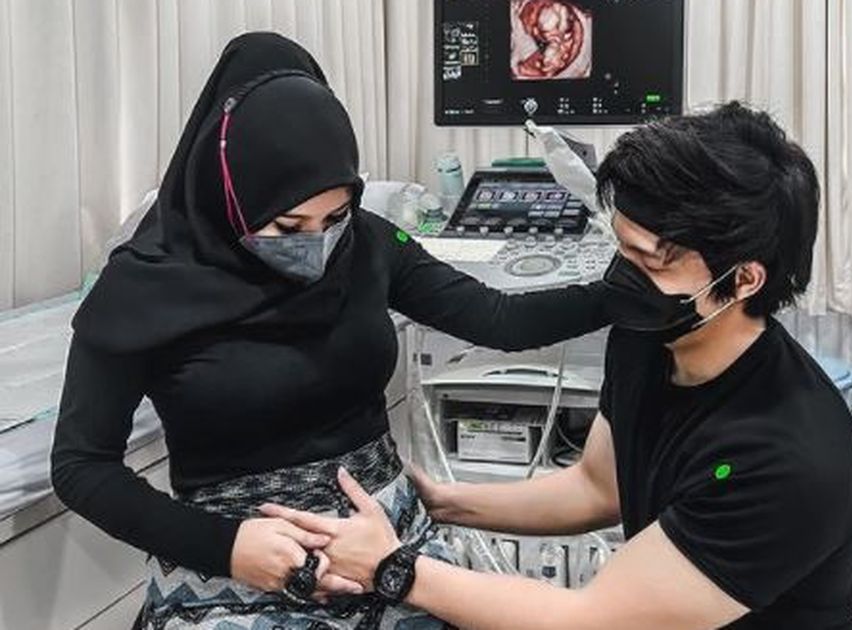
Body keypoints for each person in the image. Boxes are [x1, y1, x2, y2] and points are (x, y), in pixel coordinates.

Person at [50, 32, 611, 629]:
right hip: (236, 569)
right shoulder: (143, 287)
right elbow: (82, 466)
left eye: (335, 217)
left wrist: (631, 289)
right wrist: (229, 548)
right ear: (233, 195)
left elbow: (499, 319)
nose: (316, 245)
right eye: (289, 226)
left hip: (388, 543)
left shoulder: (367, 243)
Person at [265, 102, 852, 630]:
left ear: (743, 280)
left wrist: (391, 569)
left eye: (650, 261)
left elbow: (590, 619)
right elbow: (597, 488)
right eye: (620, 247)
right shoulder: (650, 339)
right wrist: (442, 502)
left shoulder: (785, 459)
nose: (623, 276)